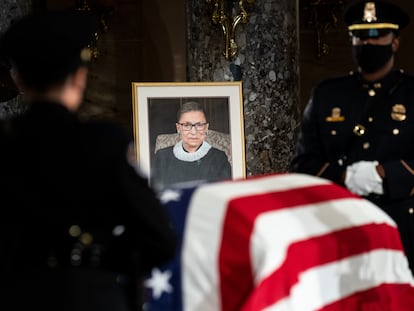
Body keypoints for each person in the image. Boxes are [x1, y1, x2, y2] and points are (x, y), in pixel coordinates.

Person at [0, 9, 176, 311]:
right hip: (91, 296)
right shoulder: (105, 143)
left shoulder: (5, 145)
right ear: (79, 78)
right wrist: (100, 257)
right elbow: (159, 240)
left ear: (20, 80)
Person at [290, 0, 414, 274]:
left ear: (394, 42)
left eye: (377, 36)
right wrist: (344, 177)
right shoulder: (327, 94)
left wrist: (386, 173)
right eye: (360, 36)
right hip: (340, 228)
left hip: (403, 231)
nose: (368, 43)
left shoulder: (411, 93)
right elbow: (303, 165)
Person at [151, 101, 232, 191]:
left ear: (206, 127)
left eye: (199, 125)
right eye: (187, 125)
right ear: (178, 128)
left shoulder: (219, 158)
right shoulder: (162, 157)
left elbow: (225, 194)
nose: (193, 132)